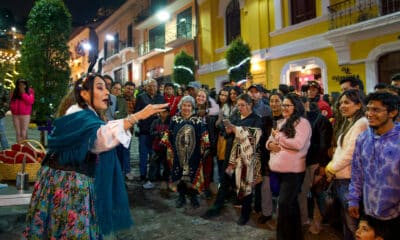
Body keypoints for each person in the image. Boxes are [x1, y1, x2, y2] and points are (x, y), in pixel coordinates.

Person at [23, 74, 168, 239]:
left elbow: (104, 129)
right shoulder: (77, 113)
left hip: (68, 181)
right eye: (100, 87)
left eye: (107, 88)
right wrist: (137, 116)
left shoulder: (84, 113)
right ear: (84, 94)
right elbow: (100, 138)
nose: (106, 92)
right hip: (68, 185)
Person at [348, 92, 399, 240]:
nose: (369, 114)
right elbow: (357, 172)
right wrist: (353, 199)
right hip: (368, 210)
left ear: (393, 112)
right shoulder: (363, 138)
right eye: (368, 109)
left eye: (376, 110)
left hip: (395, 215)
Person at [266, 93, 312, 240]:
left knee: (284, 204)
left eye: (287, 105)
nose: (284, 107)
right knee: (290, 206)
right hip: (279, 169)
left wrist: (279, 138)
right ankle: (294, 236)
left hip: (293, 170)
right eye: (283, 105)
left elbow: (298, 144)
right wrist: (270, 144)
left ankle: (284, 236)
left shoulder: (302, 123)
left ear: (296, 106)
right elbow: (270, 140)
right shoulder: (281, 122)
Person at [325, 89, 368, 240]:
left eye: (347, 103)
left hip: (349, 179)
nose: (342, 106)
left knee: (353, 224)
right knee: (346, 222)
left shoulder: (361, 123)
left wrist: (330, 168)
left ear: (358, 105)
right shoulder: (351, 122)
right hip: (342, 177)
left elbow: (350, 154)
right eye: (341, 103)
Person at [161, 95, 210, 208]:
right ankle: (181, 196)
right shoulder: (175, 119)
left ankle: (193, 197)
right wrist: (166, 145)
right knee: (180, 175)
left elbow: (204, 135)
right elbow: (169, 133)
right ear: (180, 106)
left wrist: (206, 146)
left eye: (189, 105)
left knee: (193, 175)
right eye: (184, 105)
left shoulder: (197, 120)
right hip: (178, 155)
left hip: (194, 155)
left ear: (192, 107)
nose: (186, 108)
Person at [224, 93, 263, 225]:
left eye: (242, 105)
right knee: (239, 185)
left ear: (250, 105)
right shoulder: (237, 118)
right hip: (237, 157)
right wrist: (229, 130)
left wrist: (235, 129)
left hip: (251, 158)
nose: (239, 108)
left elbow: (255, 135)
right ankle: (243, 207)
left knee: (247, 186)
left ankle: (246, 214)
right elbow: (226, 134)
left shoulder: (256, 118)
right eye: (238, 105)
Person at [134, 79, 165, 181]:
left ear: (157, 87)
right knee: (143, 154)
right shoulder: (141, 97)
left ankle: (155, 175)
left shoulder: (161, 98)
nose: (152, 88)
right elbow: (136, 113)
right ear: (146, 87)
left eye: (154, 86)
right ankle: (143, 175)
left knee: (155, 154)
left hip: (157, 132)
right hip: (144, 130)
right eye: (150, 86)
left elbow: (164, 112)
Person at [10, 78, 35, 143]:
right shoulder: (14, 92)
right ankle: (19, 147)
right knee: (18, 133)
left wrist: (23, 94)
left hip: (25, 115)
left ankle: (24, 146)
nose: (21, 86)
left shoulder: (30, 91)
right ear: (17, 85)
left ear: (26, 85)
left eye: (23, 84)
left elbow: (30, 101)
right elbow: (11, 102)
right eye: (19, 85)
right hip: (15, 115)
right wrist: (13, 109)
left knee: (23, 132)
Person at [0, 83, 10, 150]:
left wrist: (2, 111)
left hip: (0, 114)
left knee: (1, 131)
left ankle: (5, 148)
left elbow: (8, 102)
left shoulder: (3, 90)